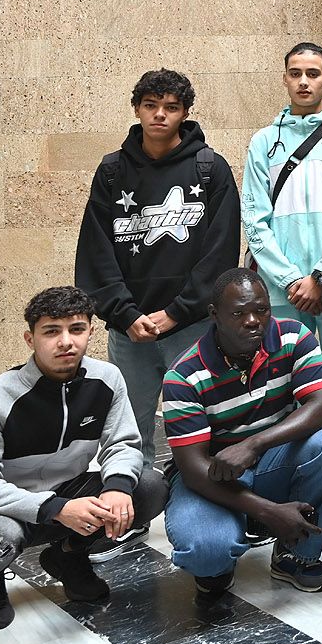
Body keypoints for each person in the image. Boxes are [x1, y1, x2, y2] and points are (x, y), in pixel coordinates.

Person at [0, 287, 168, 632]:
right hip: (5, 508)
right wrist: (56, 508)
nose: (65, 341)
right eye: (51, 331)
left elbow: (124, 443)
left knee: (148, 487)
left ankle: (69, 554)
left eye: (76, 329)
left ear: (90, 331)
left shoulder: (107, 378)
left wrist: (116, 487)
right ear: (31, 338)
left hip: (68, 490)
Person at [75, 68, 242, 465]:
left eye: (171, 107)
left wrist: (176, 313)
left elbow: (220, 253)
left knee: (204, 425)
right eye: (151, 105)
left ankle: (202, 508)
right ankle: (134, 506)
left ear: (185, 112)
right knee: (130, 431)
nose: (160, 115)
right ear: (137, 109)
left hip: (193, 327)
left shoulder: (210, 168)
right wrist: (125, 313)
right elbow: (96, 250)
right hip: (129, 332)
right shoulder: (113, 171)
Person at [161, 270, 322, 607]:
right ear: (214, 315)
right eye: (238, 313)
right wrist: (268, 512)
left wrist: (253, 444)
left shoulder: (293, 336)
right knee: (206, 552)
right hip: (213, 476)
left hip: (269, 462)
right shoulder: (183, 375)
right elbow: (192, 470)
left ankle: (295, 556)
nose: (253, 321)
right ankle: (218, 564)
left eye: (261, 310)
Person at [243, 42, 322, 390]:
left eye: (313, 74)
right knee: (280, 385)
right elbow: (254, 220)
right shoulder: (263, 142)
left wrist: (321, 276)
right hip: (282, 289)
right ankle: (283, 448)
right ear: (284, 79)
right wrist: (289, 279)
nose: (304, 81)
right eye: (295, 73)